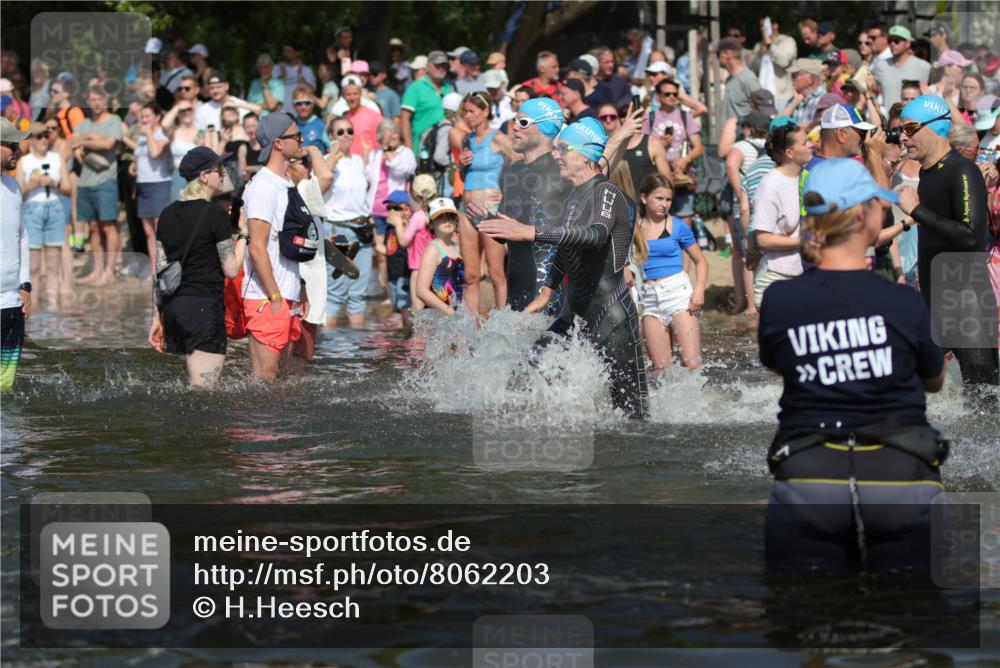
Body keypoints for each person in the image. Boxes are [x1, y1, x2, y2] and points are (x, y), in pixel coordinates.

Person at [759, 157, 947, 572]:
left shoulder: (779, 301)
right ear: (864, 216)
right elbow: (934, 381)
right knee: (919, 615)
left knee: (805, 618)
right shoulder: (904, 302)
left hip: (809, 470)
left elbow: (779, 366)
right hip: (898, 469)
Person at [480, 118, 649, 420]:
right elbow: (567, 247)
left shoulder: (607, 193)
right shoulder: (575, 195)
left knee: (632, 418)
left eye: (562, 149)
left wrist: (530, 232)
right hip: (573, 313)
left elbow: (594, 235)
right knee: (525, 374)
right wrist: (548, 290)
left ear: (585, 155)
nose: (556, 155)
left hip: (611, 317)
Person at [896, 95, 999, 389]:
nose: (903, 136)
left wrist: (917, 211)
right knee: (910, 390)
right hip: (937, 300)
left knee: (983, 404)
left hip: (968, 303)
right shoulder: (929, 172)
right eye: (902, 129)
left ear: (937, 127)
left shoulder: (961, 170)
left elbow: (970, 236)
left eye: (911, 128)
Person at [148, 147, 249, 386]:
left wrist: (157, 318)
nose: (223, 174)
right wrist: (243, 236)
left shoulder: (167, 214)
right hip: (203, 309)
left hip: (174, 312)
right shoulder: (216, 214)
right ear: (205, 176)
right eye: (219, 169)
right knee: (204, 394)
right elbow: (231, 270)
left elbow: (159, 270)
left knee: (193, 389)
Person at [242, 112, 309, 378]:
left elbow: (285, 242)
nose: (301, 139)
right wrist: (275, 296)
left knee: (281, 378)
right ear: (278, 143)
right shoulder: (263, 186)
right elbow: (257, 246)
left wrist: (300, 288)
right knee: (264, 378)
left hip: (287, 292)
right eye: (295, 135)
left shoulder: (285, 184)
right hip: (266, 296)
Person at [628, 175, 708, 373]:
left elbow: (701, 262)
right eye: (659, 199)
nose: (665, 204)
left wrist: (699, 291)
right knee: (659, 369)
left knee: (692, 364)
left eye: (668, 200)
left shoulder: (678, 226)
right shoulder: (634, 228)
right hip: (648, 297)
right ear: (644, 198)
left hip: (678, 294)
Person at [499, 97, 570, 314]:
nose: (514, 127)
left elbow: (578, 232)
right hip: (516, 286)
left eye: (523, 123)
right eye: (514, 121)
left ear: (544, 129)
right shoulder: (513, 170)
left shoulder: (563, 170)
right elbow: (505, 230)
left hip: (550, 291)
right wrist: (485, 220)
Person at [451, 91, 512, 315]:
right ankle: (470, 329)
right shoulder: (467, 140)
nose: (467, 116)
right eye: (464, 112)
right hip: (466, 210)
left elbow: (520, 162)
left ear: (485, 111)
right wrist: (459, 166)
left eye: (471, 111)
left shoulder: (497, 137)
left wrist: (506, 195)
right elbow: (457, 178)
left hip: (490, 210)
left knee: (496, 273)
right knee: (470, 275)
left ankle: (504, 325)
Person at [752, 122, 812, 307]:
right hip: (775, 278)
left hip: (802, 275)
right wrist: (805, 242)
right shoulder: (771, 184)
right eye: (804, 143)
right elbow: (762, 239)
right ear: (790, 153)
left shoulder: (805, 176)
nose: (811, 145)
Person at [70, 86, 122, 286]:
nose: (97, 103)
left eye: (100, 98)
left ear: (105, 100)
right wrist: (90, 139)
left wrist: (87, 141)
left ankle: (109, 271)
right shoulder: (83, 124)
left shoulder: (113, 121)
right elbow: (73, 145)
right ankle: (97, 269)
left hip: (105, 180)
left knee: (108, 226)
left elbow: (109, 144)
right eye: (92, 99)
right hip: (85, 181)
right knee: (92, 227)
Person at [324, 116, 373, 328]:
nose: (346, 135)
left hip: (362, 228)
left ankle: (357, 352)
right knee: (335, 292)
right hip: (339, 228)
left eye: (349, 131)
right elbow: (319, 190)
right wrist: (331, 161)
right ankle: (331, 353)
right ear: (331, 136)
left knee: (358, 294)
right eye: (340, 132)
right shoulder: (327, 161)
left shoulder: (359, 161)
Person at [15, 122, 70, 308]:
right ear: (31, 141)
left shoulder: (57, 158)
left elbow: (69, 189)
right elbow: (17, 193)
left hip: (54, 208)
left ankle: (53, 306)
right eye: (39, 136)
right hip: (32, 210)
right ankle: (34, 306)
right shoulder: (24, 161)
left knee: (54, 265)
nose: (44, 140)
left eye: (46, 136)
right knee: (34, 266)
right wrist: (32, 184)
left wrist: (54, 183)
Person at [642, 78, 704, 224]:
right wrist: (658, 146)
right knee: (658, 216)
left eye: (675, 94)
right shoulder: (649, 118)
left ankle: (684, 247)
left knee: (684, 216)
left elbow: (699, 148)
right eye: (667, 94)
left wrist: (685, 160)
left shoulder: (685, 116)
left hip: (682, 175)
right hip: (658, 175)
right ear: (658, 96)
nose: (671, 97)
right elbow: (643, 147)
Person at [368, 119, 416, 293]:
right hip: (376, 209)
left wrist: (390, 156)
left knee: (397, 252)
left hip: (397, 210)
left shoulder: (405, 153)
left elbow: (404, 170)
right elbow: (369, 179)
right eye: (390, 133)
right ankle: (387, 291)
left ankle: (402, 291)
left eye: (396, 132)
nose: (394, 136)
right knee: (381, 254)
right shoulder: (375, 154)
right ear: (381, 137)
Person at [1, 118, 31, 391]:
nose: (18, 151)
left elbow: (22, 237)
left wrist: (25, 284)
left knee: (4, 387)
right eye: (12, 145)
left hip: (11, 303)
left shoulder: (14, 188)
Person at [127, 103, 172, 269]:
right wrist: (135, 164)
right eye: (142, 117)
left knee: (161, 229)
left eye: (148, 116)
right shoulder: (142, 136)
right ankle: (154, 268)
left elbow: (155, 152)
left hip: (159, 183)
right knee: (148, 230)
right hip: (143, 184)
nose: (144, 120)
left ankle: (164, 266)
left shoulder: (162, 134)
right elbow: (141, 155)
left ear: (157, 117)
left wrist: (149, 133)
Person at [601, 102, 671, 200]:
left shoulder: (653, 144)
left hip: (645, 208)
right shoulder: (610, 146)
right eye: (623, 115)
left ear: (641, 116)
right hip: (620, 207)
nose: (627, 118)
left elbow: (667, 183)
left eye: (634, 114)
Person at [415, 197, 464, 314]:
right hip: (438, 316)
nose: (447, 221)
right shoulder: (433, 250)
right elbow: (421, 290)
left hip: (455, 314)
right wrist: (449, 311)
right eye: (441, 217)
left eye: (451, 216)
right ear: (431, 224)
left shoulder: (457, 247)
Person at [401, 51, 453, 151]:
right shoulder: (415, 87)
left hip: (445, 150)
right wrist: (409, 148)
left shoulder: (449, 88)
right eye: (438, 65)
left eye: (444, 65)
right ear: (428, 67)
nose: (442, 68)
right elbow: (404, 119)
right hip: (421, 149)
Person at [872, 26, 932, 109]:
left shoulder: (924, 67)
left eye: (897, 41)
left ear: (908, 43)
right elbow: (874, 92)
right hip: (889, 119)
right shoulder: (880, 66)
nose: (892, 44)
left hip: (914, 119)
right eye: (890, 41)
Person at [753, 18, 798, 109]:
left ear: (775, 25)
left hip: (782, 97)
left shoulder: (787, 41)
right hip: (762, 97)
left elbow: (784, 62)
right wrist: (761, 51)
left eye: (765, 25)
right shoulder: (758, 46)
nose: (763, 29)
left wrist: (770, 46)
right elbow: (754, 70)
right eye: (761, 26)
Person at [162, 100, 202, 201]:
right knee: (178, 210)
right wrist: (177, 107)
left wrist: (202, 145)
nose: (186, 112)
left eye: (189, 109)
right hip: (179, 176)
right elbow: (164, 124)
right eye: (182, 110)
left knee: (198, 211)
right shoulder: (174, 131)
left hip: (198, 176)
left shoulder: (201, 130)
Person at [718, 36, 762, 122]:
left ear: (727, 54)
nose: (717, 58)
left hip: (741, 134)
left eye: (718, 54)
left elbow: (761, 109)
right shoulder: (730, 79)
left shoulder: (747, 79)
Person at [343, 80, 384, 157]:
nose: (352, 98)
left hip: (369, 164)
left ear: (361, 94)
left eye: (355, 94)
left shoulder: (374, 116)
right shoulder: (343, 119)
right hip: (349, 164)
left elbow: (383, 143)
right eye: (348, 94)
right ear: (343, 97)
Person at [782, 59, 826, 126]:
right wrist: (795, 102)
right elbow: (777, 124)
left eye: (795, 75)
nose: (792, 78)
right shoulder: (795, 98)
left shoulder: (824, 99)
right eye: (791, 75)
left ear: (810, 79)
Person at [277, 42, 317, 114]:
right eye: (284, 51)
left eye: (289, 52)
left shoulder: (307, 70)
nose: (286, 54)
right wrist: (281, 78)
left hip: (300, 113)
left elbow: (312, 91)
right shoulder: (277, 68)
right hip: (280, 112)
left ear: (297, 53)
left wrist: (302, 79)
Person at [290, 86, 329, 151]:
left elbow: (332, 148)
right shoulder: (290, 126)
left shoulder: (322, 125)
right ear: (293, 105)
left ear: (313, 104)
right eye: (299, 103)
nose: (303, 107)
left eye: (307, 103)